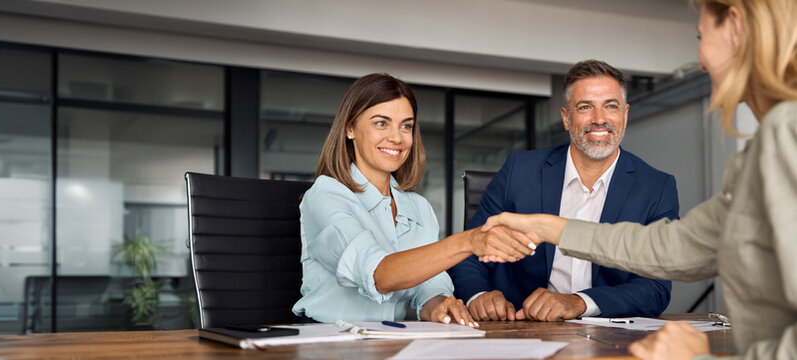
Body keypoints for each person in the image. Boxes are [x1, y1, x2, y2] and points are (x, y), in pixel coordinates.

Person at [479, 0, 797, 358]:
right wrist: (549, 228)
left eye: (700, 36)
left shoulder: (787, 134)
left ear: (736, 27)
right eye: (586, 107)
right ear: (566, 117)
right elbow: (678, 247)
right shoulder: (765, 146)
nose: (700, 58)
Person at [291, 73, 535, 326]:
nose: (397, 138)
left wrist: (439, 305)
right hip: (329, 341)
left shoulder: (418, 207)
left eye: (406, 126)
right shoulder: (326, 195)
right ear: (349, 128)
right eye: (381, 123)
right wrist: (469, 241)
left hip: (389, 340)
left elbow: (429, 286)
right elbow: (378, 274)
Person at [447, 60, 677, 322]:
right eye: (585, 107)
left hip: (607, 336)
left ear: (625, 114)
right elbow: (468, 251)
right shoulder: (518, 171)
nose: (599, 119)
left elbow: (656, 286)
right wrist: (479, 295)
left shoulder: (656, 187)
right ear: (567, 118)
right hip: (520, 330)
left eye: (610, 106)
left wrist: (579, 302)